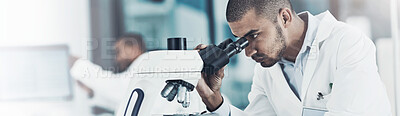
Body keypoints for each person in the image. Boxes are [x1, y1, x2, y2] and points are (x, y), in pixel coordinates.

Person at [195, 0, 391, 115]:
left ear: (285, 17)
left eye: (253, 36)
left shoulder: (346, 43)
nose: (249, 52)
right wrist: (213, 100)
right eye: (241, 41)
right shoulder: (267, 69)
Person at [70, 33, 146, 113]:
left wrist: (78, 64)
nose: (117, 59)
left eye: (118, 52)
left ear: (134, 49)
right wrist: (91, 92)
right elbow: (121, 103)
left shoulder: (143, 66)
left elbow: (117, 87)